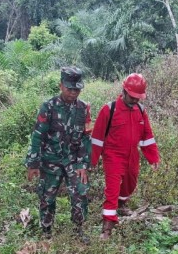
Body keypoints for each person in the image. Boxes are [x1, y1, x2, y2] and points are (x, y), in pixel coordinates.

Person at [90, 73, 160, 239]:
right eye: (132, 96)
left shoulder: (140, 111)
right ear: (124, 90)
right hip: (113, 155)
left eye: (138, 97)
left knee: (130, 182)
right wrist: (91, 161)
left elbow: (147, 136)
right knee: (112, 189)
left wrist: (153, 157)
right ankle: (107, 227)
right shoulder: (109, 109)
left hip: (132, 155)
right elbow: (97, 138)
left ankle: (121, 204)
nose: (135, 100)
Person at [26, 66, 92, 236]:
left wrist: (83, 163)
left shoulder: (83, 108)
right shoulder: (49, 107)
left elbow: (85, 137)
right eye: (70, 89)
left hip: (73, 161)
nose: (73, 93)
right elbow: (38, 136)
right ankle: (46, 229)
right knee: (47, 197)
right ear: (61, 85)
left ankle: (78, 229)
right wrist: (33, 163)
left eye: (77, 89)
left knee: (80, 193)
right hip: (51, 160)